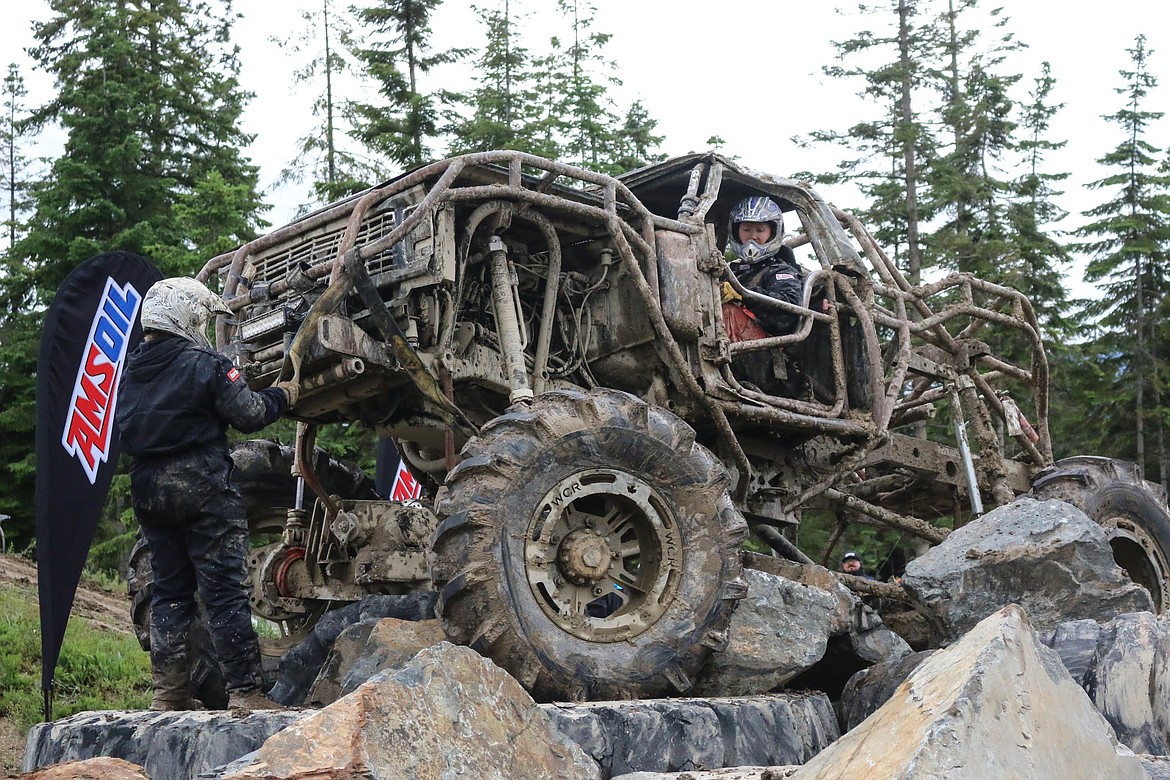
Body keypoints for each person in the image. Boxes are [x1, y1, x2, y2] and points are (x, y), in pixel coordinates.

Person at [116, 277, 300, 710]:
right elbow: (250, 415)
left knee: (171, 592)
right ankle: (246, 693)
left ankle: (169, 696)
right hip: (202, 487)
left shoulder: (130, 375)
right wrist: (282, 395)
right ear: (187, 316)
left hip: (149, 492)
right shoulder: (208, 364)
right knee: (224, 592)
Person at [726, 195, 806, 337]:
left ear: (772, 232)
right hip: (724, 343)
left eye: (760, 230)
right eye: (746, 229)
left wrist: (743, 294)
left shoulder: (779, 270)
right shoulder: (728, 271)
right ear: (736, 231)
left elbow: (789, 313)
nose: (752, 236)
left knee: (727, 312)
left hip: (764, 349)